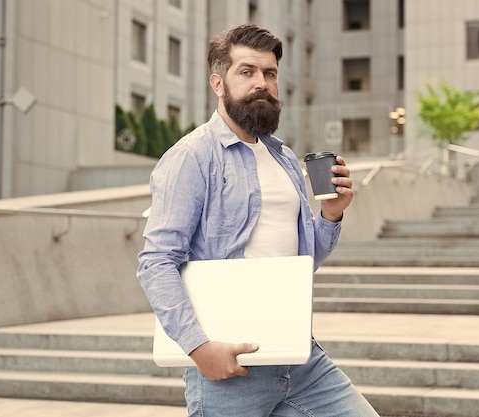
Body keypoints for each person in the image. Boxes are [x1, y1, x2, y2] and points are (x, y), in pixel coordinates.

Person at [137, 23, 380, 417]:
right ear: (218, 83)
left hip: (300, 357)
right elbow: (155, 263)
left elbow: (301, 263)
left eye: (269, 74)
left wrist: (330, 216)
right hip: (230, 367)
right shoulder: (192, 157)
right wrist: (199, 349)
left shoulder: (284, 158)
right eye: (246, 72)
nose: (261, 83)